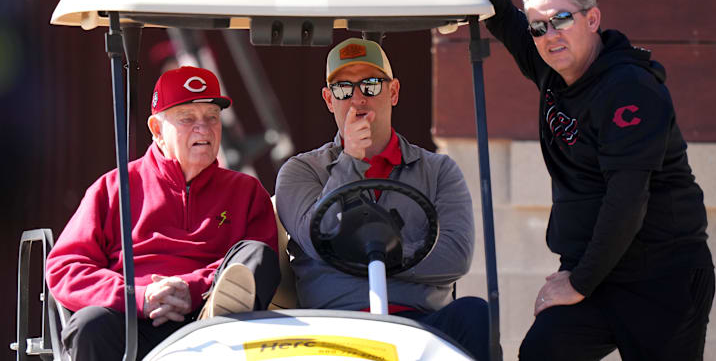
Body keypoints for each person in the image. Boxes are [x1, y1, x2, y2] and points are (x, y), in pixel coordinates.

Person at [442, 0, 715, 360]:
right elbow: (509, 22)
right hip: (598, 273)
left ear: (593, 19)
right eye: (540, 26)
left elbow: (627, 201)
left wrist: (579, 283)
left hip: (662, 278)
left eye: (561, 19)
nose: (550, 35)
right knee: (544, 351)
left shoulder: (630, 89)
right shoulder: (553, 66)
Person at [275, 37, 490, 360]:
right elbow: (318, 239)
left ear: (393, 92)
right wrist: (350, 161)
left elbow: (455, 255)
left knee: (475, 314)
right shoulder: (302, 171)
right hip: (334, 328)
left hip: (418, 327)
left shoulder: (438, 170)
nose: (358, 99)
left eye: (372, 85)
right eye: (344, 89)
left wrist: (378, 254)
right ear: (329, 99)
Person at [46, 66, 281, 360]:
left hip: (209, 319)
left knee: (257, 254)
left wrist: (193, 289)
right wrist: (136, 297)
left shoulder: (246, 191)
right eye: (188, 119)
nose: (204, 129)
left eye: (212, 118)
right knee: (89, 325)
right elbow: (65, 267)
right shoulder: (115, 186)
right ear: (157, 130)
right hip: (133, 320)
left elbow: (262, 260)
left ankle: (213, 317)